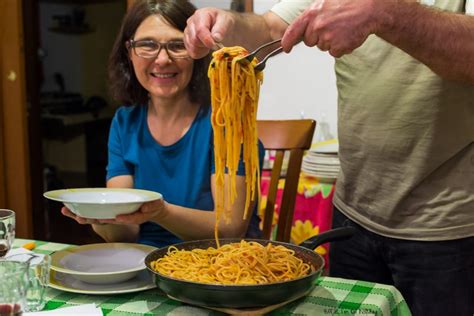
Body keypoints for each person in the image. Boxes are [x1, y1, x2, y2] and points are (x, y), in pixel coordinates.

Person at [184, 1, 474, 315]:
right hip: (353, 215)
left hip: (446, 228)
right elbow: (269, 28)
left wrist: (383, 13)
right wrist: (226, 22)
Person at [61, 0, 264, 248]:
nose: (163, 59)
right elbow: (126, 233)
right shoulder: (125, 123)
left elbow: (230, 229)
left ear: (198, 52)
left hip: (223, 265)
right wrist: (101, 218)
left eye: (178, 45)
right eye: (147, 45)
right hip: (146, 261)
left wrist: (161, 212)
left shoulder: (226, 123)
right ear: (129, 52)